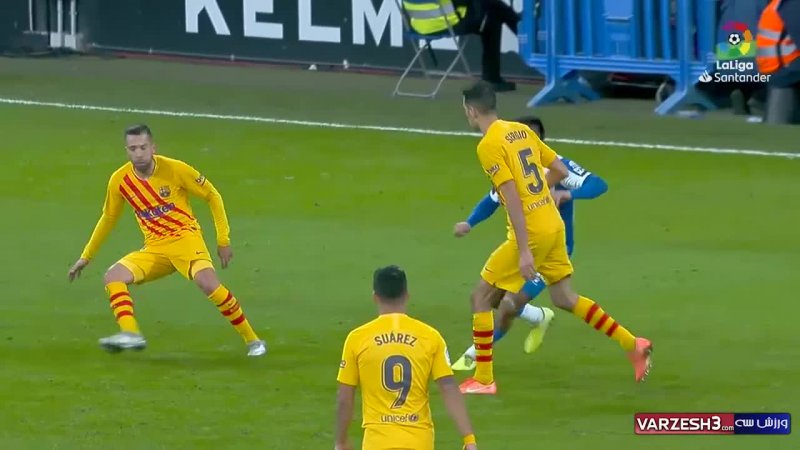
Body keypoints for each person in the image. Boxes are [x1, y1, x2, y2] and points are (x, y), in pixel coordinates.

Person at [458, 81, 652, 395]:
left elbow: (511, 196)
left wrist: (524, 250)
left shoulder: (488, 145)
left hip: (532, 232)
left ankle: (483, 379)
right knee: (564, 298)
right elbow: (560, 170)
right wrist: (537, 192)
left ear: (471, 110)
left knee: (480, 297)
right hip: (553, 224)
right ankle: (633, 344)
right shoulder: (521, 131)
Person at [67, 124, 266, 357]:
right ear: (126, 150)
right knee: (113, 277)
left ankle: (253, 340)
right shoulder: (120, 180)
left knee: (208, 284)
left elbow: (212, 195)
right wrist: (86, 256)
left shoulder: (175, 169)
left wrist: (223, 240)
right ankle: (130, 333)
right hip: (156, 248)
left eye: (143, 147)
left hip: (186, 240)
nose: (138, 153)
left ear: (153, 148)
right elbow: (108, 218)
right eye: (133, 148)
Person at [451, 115, 609, 371]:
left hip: (551, 250)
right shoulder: (515, 169)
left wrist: (568, 194)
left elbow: (598, 185)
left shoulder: (558, 166)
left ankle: (473, 357)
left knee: (509, 304)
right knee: (494, 297)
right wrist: (469, 222)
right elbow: (492, 200)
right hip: (527, 246)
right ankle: (539, 316)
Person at [335, 265, 478, 450]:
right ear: (407, 295)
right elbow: (448, 387)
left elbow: (344, 397)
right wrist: (469, 440)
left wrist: (341, 441)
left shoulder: (357, 338)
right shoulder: (430, 336)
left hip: (377, 443)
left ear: (375, 297)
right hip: (419, 442)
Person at [403, 0, 521, 91]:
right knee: (493, 15)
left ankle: (492, 78)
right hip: (445, 22)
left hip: (419, 25)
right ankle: (492, 78)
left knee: (494, 8)